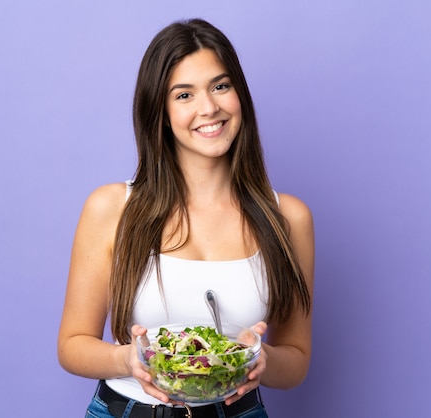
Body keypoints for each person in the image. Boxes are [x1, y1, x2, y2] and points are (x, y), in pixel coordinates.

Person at [58, 18, 314, 418]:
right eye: (184, 95)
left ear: (239, 95)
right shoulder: (112, 209)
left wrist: (262, 361)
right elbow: (72, 344)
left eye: (220, 86)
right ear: (160, 112)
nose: (208, 107)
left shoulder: (289, 218)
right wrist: (129, 360)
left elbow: (296, 360)